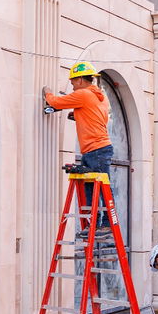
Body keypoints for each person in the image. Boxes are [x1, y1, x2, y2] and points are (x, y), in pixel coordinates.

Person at [43, 62, 113, 221]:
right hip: (95, 150)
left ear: (81, 79)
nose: (72, 85)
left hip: (96, 149)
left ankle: (107, 223)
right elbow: (97, 116)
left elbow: (56, 102)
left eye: (73, 81)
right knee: (91, 187)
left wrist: (47, 93)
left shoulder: (84, 95)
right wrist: (79, 115)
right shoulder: (99, 97)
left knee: (102, 189)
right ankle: (93, 222)